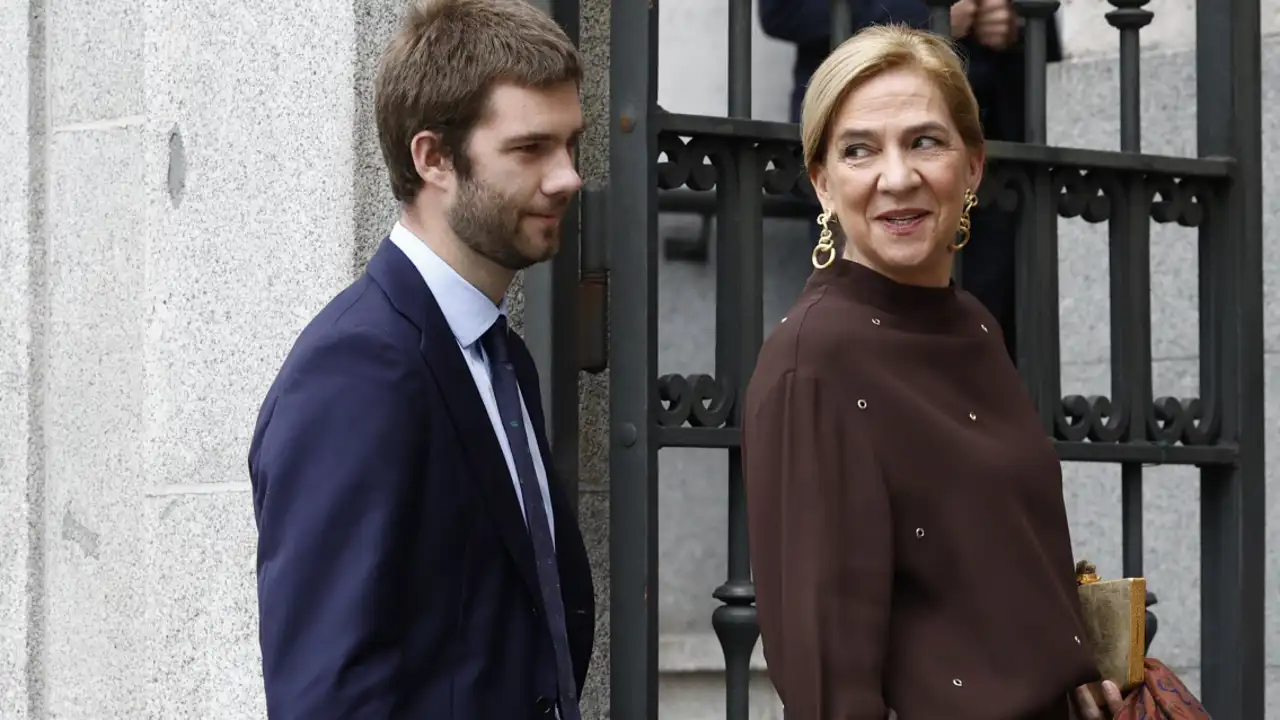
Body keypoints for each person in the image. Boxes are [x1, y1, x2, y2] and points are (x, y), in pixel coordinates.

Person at [741, 26, 1123, 720]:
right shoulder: (814, 362)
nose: (897, 177)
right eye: (860, 150)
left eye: (925, 141)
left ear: (972, 167)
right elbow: (828, 685)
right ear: (823, 184)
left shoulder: (973, 323)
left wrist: (1066, 659)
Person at [246, 0, 594, 717]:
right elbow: (328, 693)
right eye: (530, 150)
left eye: (572, 145)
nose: (567, 178)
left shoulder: (502, 357)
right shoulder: (357, 371)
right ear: (433, 158)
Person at [757, 0, 1063, 362]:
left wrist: (1013, 25)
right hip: (861, 128)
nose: (900, 180)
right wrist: (925, 17)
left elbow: (1044, 29)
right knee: (864, 338)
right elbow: (782, 11)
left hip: (997, 150)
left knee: (980, 344)